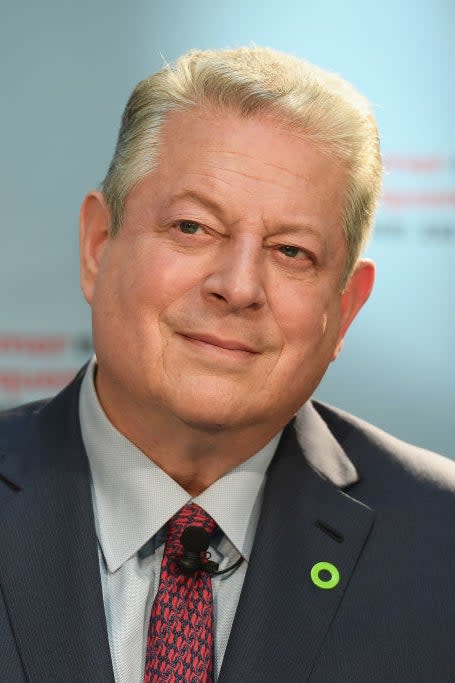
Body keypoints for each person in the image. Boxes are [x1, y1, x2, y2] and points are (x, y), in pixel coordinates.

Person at [0, 46, 454, 683]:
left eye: (292, 251)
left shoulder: (443, 541)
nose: (238, 286)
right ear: (99, 247)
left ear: (344, 310)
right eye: (192, 227)